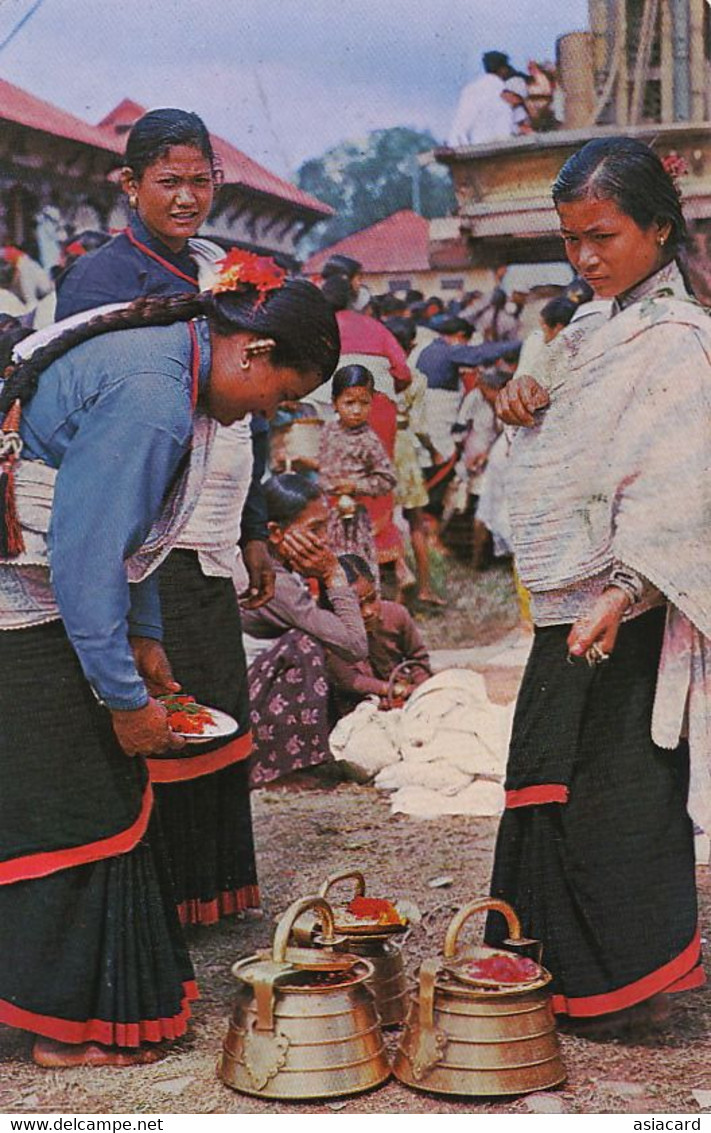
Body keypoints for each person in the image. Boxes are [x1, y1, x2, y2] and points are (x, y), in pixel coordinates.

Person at [0, 270, 339, 1066]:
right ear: (253, 351)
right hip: (26, 607)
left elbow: (134, 531)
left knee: (95, 799)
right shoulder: (155, 394)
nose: (266, 415)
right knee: (83, 806)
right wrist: (124, 698)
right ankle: (66, 1027)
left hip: (54, 597)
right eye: (276, 396)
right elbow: (87, 559)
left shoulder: (174, 360)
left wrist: (145, 635)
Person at [487, 136, 706, 1033]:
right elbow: (558, 453)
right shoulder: (583, 331)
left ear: (657, 227)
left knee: (615, 792)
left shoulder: (681, 344)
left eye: (601, 236)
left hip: (628, 606)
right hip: (567, 600)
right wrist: (521, 403)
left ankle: (624, 978)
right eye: (569, 238)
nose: (582, 257)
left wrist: (624, 591)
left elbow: (682, 486)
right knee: (545, 777)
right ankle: (551, 966)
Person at [54, 108, 272, 927]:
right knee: (158, 702)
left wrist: (252, 525)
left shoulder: (222, 267)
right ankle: (161, 899)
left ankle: (215, 890)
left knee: (212, 694)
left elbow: (250, 403)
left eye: (199, 180)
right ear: (129, 185)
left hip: (210, 512)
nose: (187, 198)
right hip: (136, 516)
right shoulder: (100, 279)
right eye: (168, 182)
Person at [242, 474, 367, 785]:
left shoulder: (274, 566)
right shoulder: (275, 580)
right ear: (274, 532)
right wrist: (331, 573)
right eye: (314, 529)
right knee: (304, 644)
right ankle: (289, 768)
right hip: (243, 699)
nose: (324, 540)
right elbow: (354, 645)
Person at [317, 364, 397, 581]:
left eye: (364, 403)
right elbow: (322, 467)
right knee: (328, 573)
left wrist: (355, 486)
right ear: (335, 403)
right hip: (326, 518)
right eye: (349, 403)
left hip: (353, 523)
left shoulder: (368, 440)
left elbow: (387, 478)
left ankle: (364, 612)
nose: (356, 410)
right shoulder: (327, 432)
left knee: (356, 574)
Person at [327, 554, 432, 715]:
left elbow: (419, 658)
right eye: (357, 607)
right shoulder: (332, 633)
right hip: (360, 704)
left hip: (406, 694)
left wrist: (421, 691)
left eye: (372, 599)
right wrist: (394, 690)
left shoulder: (397, 614)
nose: (368, 612)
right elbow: (350, 681)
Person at [448, 50, 517, 147]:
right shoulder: (505, 91)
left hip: (477, 149)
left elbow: (460, 125)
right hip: (503, 149)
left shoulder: (470, 89)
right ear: (503, 69)